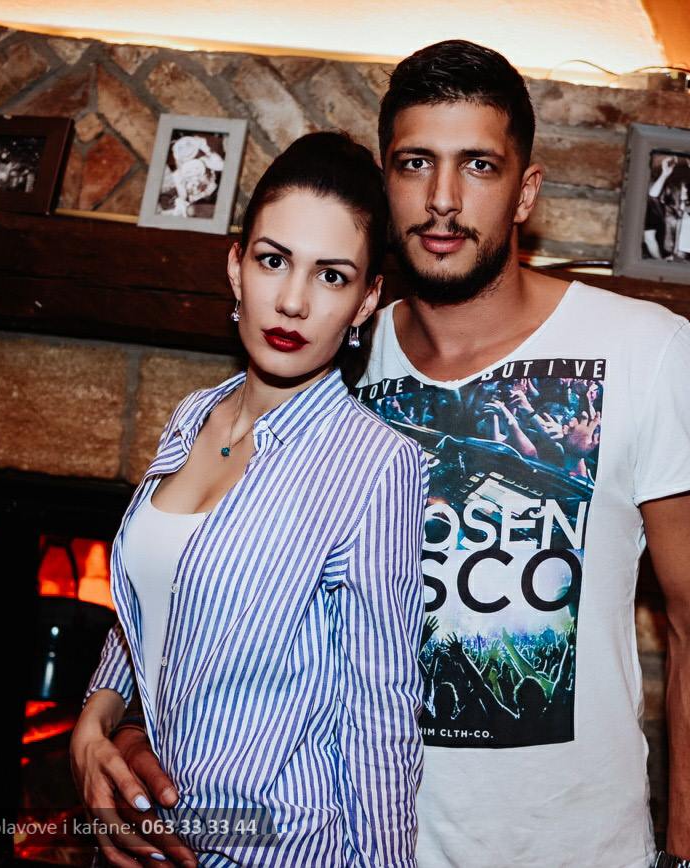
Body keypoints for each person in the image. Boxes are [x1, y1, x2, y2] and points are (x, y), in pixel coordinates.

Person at [105, 40, 690, 868]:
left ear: (526, 191)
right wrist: (124, 719)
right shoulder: (331, 347)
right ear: (386, 180)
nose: (443, 201)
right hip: (345, 842)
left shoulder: (644, 350)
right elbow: (202, 569)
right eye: (416, 164)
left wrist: (689, 863)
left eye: (479, 165)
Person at [71, 131, 428, 868]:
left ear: (366, 301)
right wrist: (94, 720)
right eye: (273, 261)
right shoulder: (191, 416)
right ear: (236, 267)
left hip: (278, 848)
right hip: (153, 837)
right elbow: (157, 597)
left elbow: (381, 716)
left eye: (332, 276)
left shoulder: (375, 467)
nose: (293, 301)